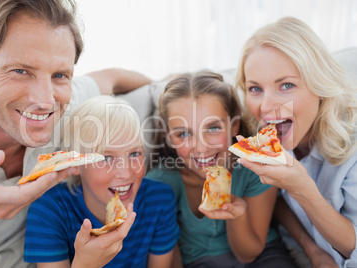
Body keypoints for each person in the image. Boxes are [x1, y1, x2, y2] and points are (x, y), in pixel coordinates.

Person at [0, 0, 151, 267]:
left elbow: (113, 77)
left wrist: (169, 90)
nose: (45, 101)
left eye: (59, 74)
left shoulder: (73, 110)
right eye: (21, 71)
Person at [234, 17, 357, 267]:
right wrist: (312, 249)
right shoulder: (262, 133)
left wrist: (302, 187)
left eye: (286, 85)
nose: (266, 107)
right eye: (255, 89)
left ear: (319, 83)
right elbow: (276, 199)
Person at [146, 70, 296, 267]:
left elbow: (248, 255)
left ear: (234, 126)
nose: (200, 147)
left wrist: (238, 215)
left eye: (213, 128)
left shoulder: (258, 166)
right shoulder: (160, 183)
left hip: (263, 257)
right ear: (169, 137)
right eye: (183, 134)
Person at [24, 95, 180, 267]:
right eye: (106, 158)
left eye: (134, 154)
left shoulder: (159, 200)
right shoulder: (48, 211)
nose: (126, 173)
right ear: (75, 164)